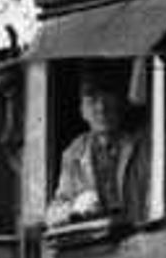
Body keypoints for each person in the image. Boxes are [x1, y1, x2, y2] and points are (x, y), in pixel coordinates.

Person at [47, 75, 142, 229]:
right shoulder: (74, 154)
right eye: (92, 102)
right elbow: (53, 214)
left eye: (107, 101)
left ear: (119, 106)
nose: (101, 109)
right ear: (83, 111)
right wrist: (76, 208)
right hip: (97, 240)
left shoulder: (139, 146)